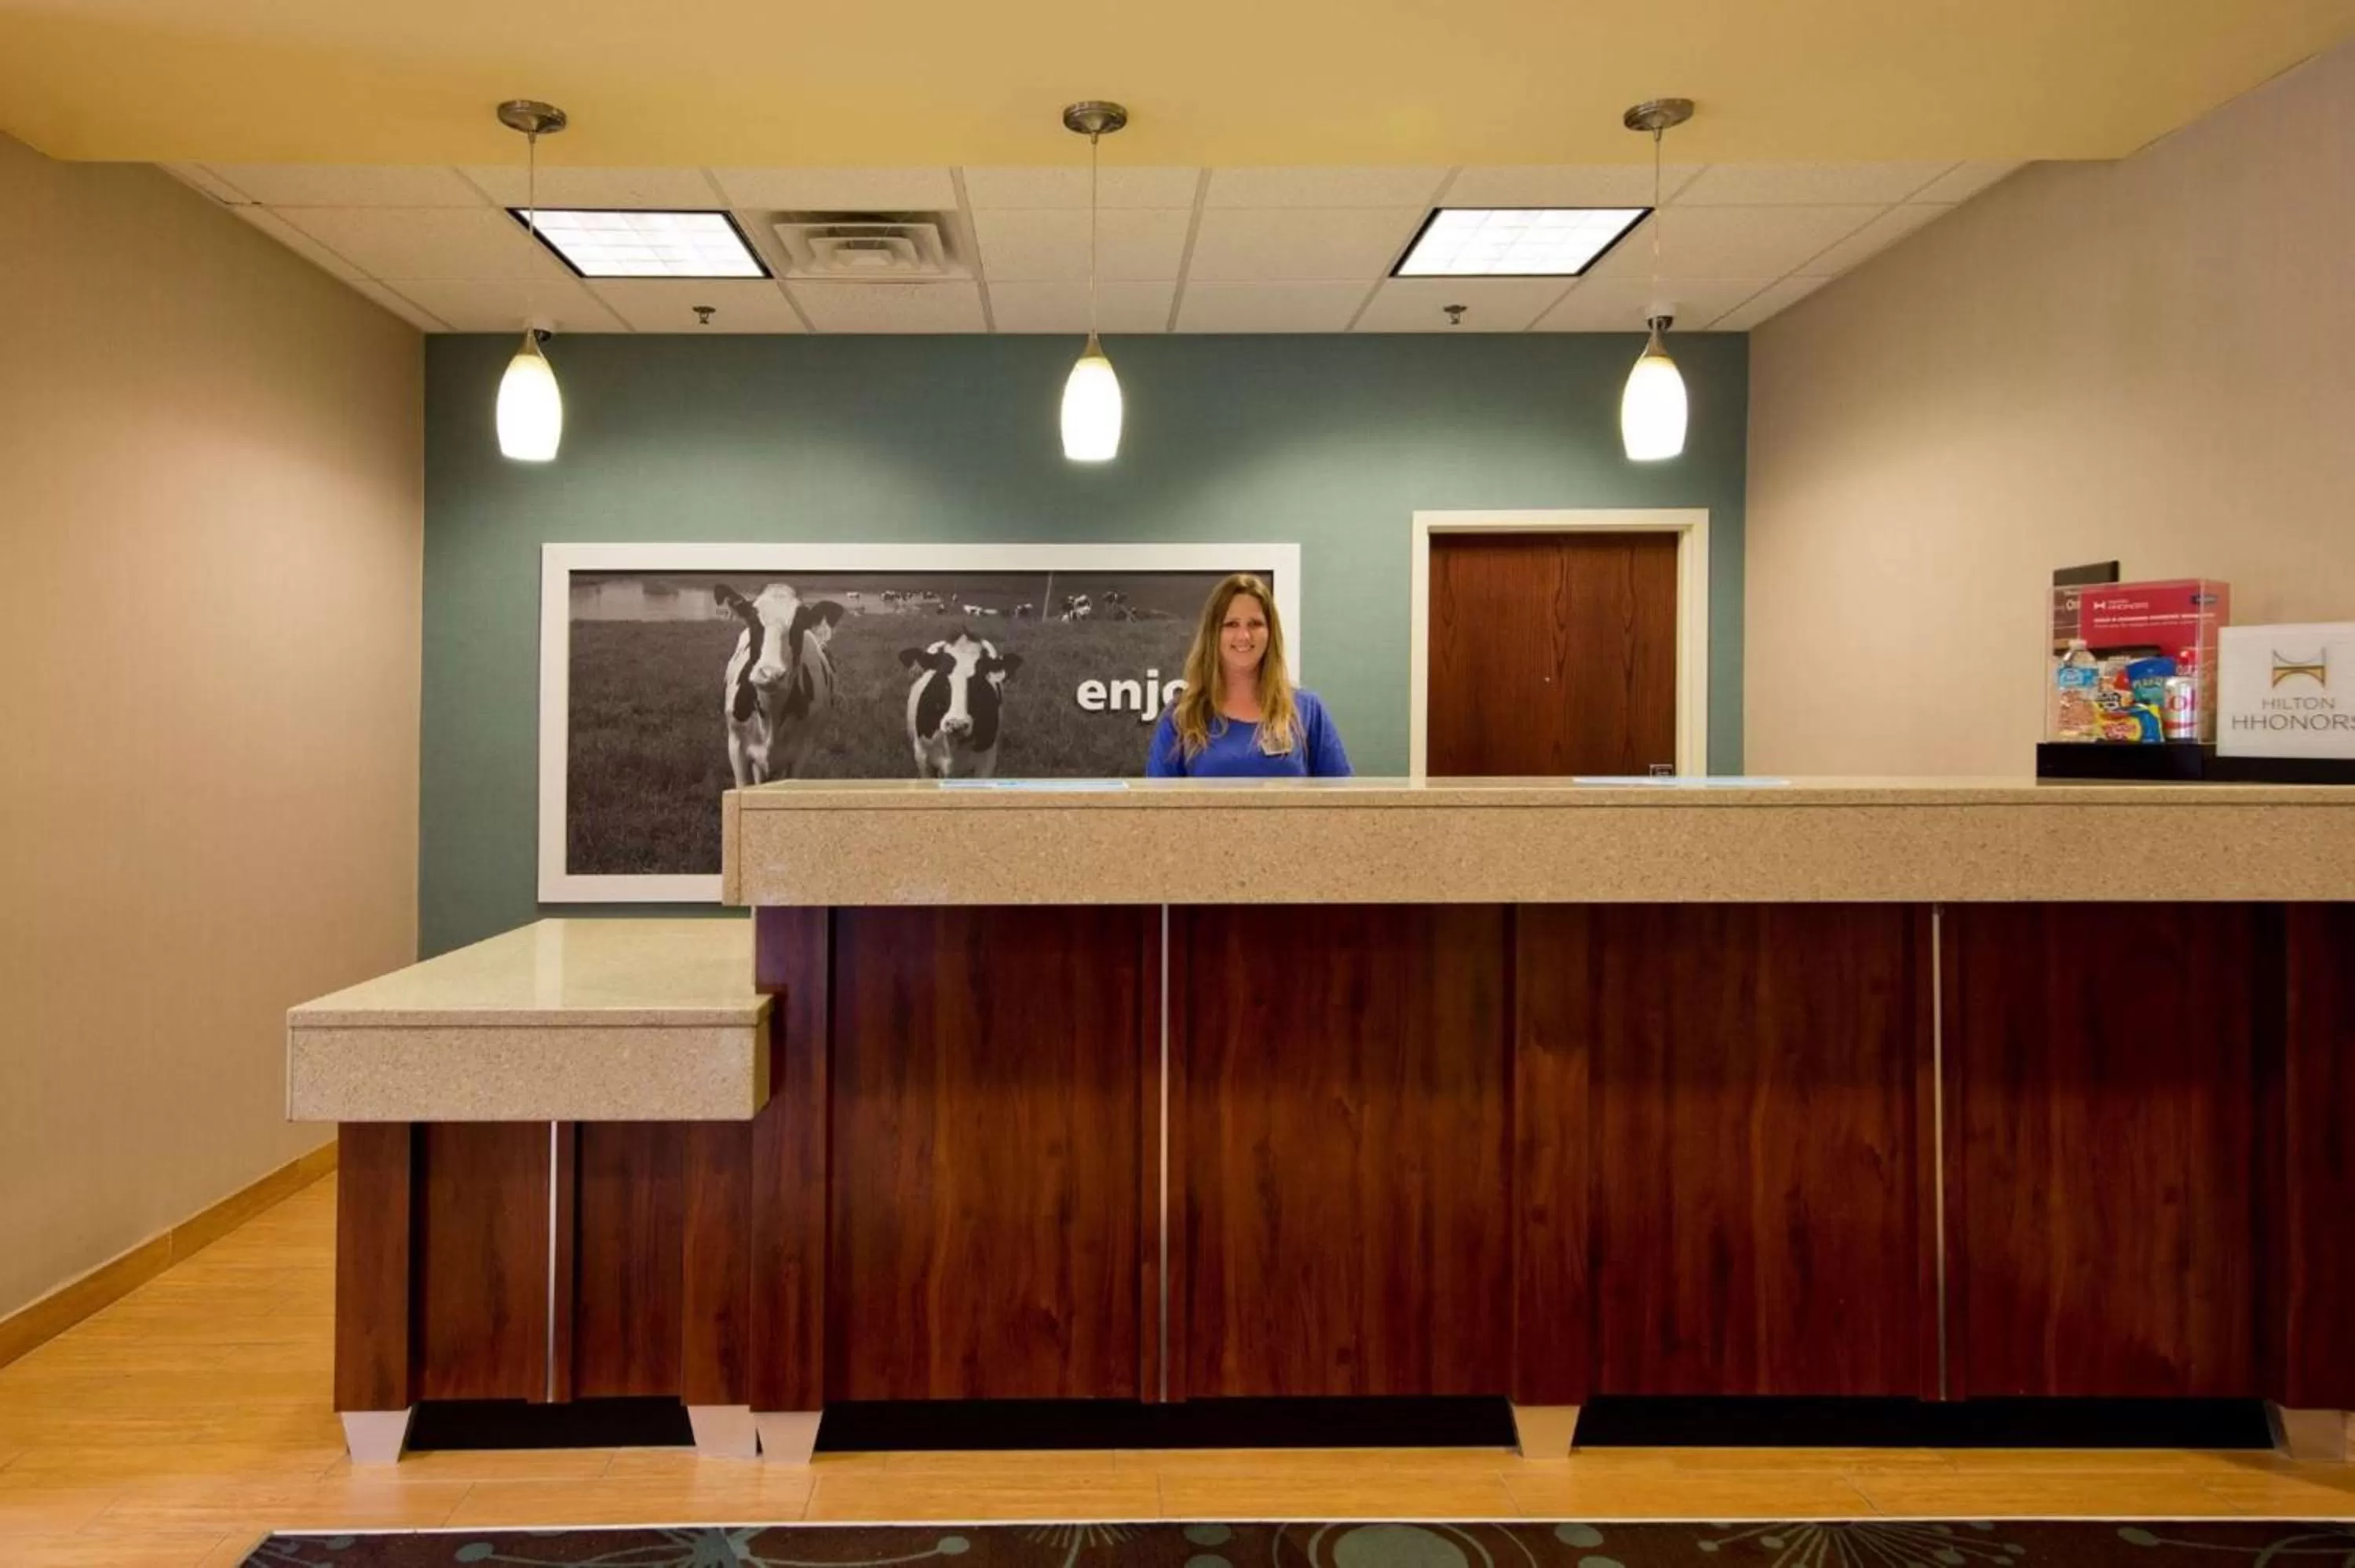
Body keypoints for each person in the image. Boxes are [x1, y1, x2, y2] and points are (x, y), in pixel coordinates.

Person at [1147, 574, 1352, 778]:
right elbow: (1155, 806)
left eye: (1255, 624)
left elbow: (1344, 802)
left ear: (1270, 632)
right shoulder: (1181, 718)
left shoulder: (1307, 711)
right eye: (1231, 624)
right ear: (1213, 634)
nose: (1244, 636)